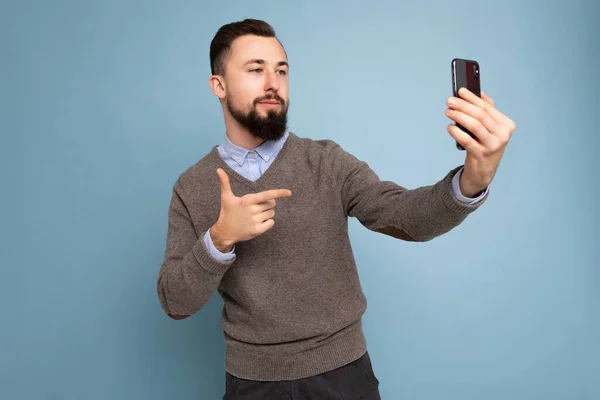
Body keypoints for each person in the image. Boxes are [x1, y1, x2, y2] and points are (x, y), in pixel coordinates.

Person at [156, 18, 515, 400]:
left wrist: (472, 181)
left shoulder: (327, 162)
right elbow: (175, 302)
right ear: (219, 86)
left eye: (281, 70)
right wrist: (220, 238)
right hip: (251, 385)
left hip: (344, 379)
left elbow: (406, 216)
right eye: (256, 69)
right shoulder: (192, 187)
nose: (273, 82)